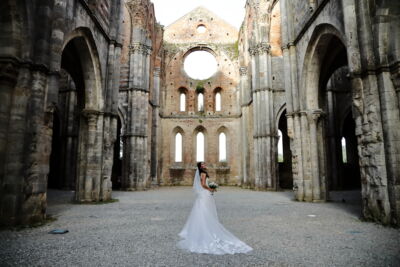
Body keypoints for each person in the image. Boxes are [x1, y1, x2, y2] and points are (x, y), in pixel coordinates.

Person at [177, 162, 253, 255]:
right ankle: (206, 231)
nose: (205, 165)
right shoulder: (204, 173)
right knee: (205, 211)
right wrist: (210, 189)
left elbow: (201, 184)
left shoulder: (201, 173)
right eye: (203, 164)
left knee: (202, 212)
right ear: (201, 167)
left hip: (202, 195)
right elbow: (203, 184)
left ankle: (201, 232)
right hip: (205, 193)